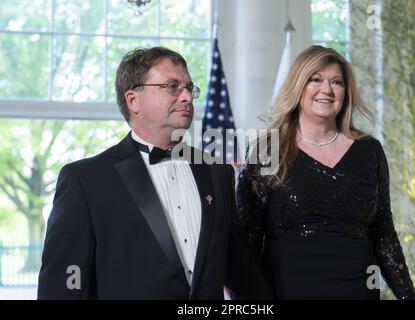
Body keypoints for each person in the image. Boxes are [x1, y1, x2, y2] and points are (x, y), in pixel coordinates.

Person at [38, 47, 273, 299]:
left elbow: (242, 273)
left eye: (189, 88)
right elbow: (63, 286)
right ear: (133, 100)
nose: (187, 97)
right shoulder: (85, 181)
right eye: (172, 86)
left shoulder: (218, 174)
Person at [236, 45, 415, 300]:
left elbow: (384, 235)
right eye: (315, 80)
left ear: (346, 92)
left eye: (337, 82)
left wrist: (409, 297)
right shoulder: (267, 150)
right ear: (298, 87)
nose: (327, 90)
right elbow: (247, 240)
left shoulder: (369, 151)